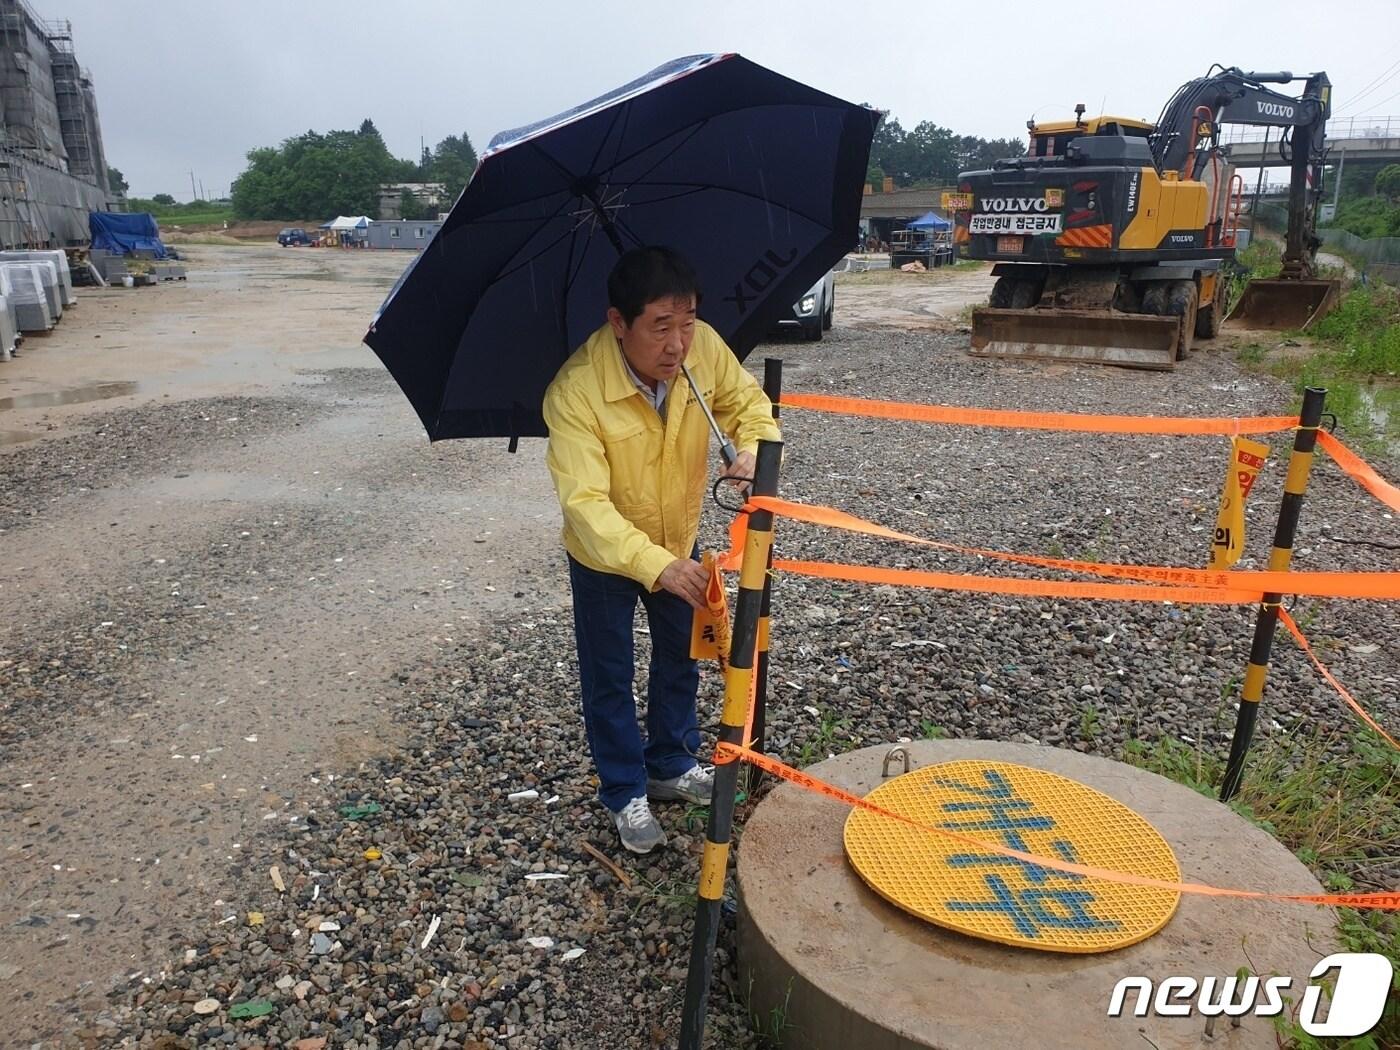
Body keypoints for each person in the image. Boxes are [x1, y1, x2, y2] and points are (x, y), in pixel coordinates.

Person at [543, 246, 780, 854]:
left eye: (689, 321)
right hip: (607, 556)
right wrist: (656, 565)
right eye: (660, 327)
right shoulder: (575, 392)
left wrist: (752, 448)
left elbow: (748, 404)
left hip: (681, 534)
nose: (677, 344)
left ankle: (670, 762)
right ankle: (624, 791)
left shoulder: (700, 353)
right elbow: (585, 506)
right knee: (610, 674)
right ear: (619, 323)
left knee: (683, 654)